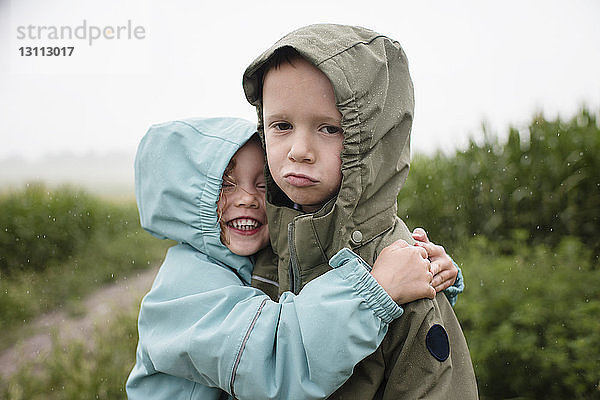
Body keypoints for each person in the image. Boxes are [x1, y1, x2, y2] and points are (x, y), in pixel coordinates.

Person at [125, 117, 462, 399]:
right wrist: (374, 291)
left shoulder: (258, 260)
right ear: (183, 198)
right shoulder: (185, 286)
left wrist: (424, 269)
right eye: (226, 184)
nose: (248, 199)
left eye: (262, 185)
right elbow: (273, 361)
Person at [242, 24, 479, 398]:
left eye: (330, 128)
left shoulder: (407, 275)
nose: (299, 150)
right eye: (282, 125)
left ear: (374, 139)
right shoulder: (255, 242)